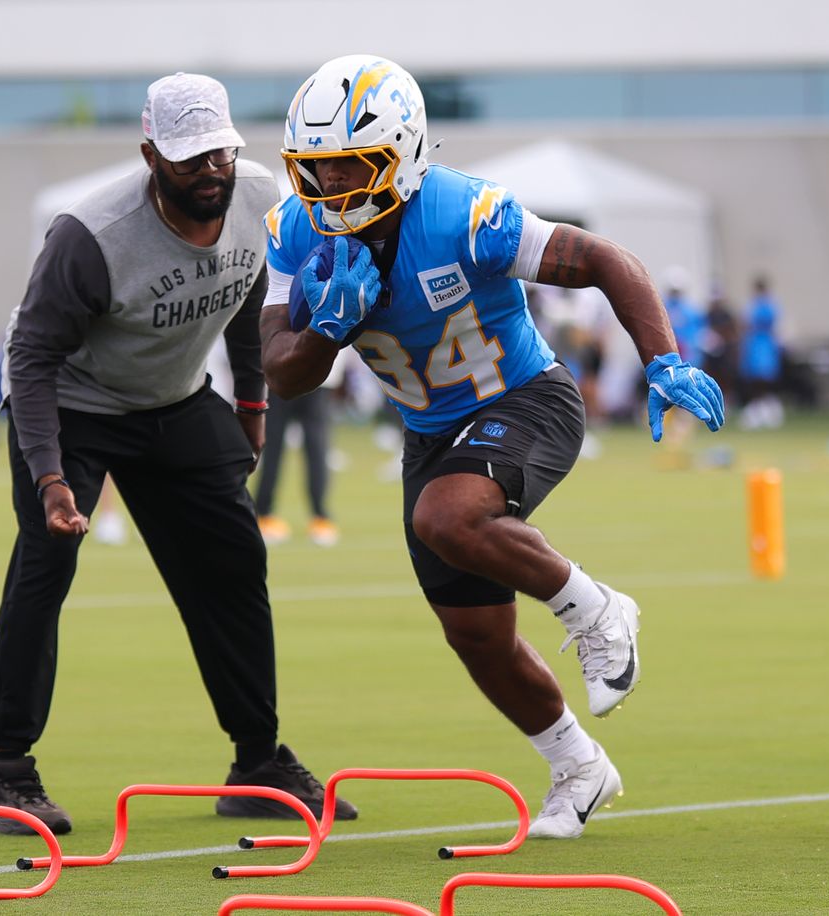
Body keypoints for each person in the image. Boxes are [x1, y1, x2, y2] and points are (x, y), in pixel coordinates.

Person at [261, 55, 724, 840]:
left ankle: (597, 609)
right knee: (476, 635)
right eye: (319, 170)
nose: (332, 189)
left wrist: (664, 360)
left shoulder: (465, 213)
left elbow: (607, 259)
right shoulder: (292, 229)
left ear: (402, 156)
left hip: (526, 398)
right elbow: (283, 371)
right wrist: (326, 329)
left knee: (444, 519)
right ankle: (579, 767)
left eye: (351, 167)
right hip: (432, 430)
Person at [0, 72, 355, 836]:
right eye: (188, 160)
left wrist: (250, 407)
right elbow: (32, 355)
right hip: (72, 404)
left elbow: (248, 292)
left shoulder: (258, 195)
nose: (209, 171)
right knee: (45, 569)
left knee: (235, 559)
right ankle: (6, 775)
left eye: (219, 153)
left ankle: (256, 762)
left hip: (174, 399)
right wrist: (48, 476)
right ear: (151, 155)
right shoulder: (91, 235)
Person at [252, 362, 344, 547]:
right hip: (297, 373)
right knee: (283, 445)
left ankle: (318, 517)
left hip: (295, 373)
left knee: (312, 446)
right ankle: (266, 515)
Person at [739, 275, 784, 429]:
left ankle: (767, 408)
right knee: (754, 376)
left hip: (763, 342)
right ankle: (758, 408)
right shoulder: (754, 304)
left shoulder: (767, 305)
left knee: (764, 375)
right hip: (755, 342)